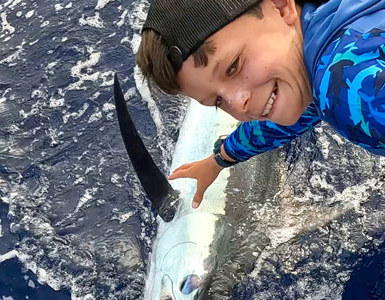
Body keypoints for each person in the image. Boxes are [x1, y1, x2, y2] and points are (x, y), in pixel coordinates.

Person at [137, 0, 385, 209]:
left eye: (233, 66)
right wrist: (220, 159)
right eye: (219, 101)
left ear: (280, 7)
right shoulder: (331, 24)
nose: (239, 104)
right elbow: (292, 118)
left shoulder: (347, 95)